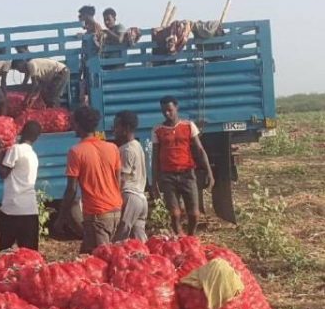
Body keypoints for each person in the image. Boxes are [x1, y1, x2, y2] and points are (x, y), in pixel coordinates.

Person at [53, 106, 122, 254]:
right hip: (115, 210)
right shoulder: (112, 148)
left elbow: (71, 189)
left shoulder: (76, 152)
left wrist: (61, 218)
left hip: (97, 214)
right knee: (86, 255)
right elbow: (118, 180)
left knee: (101, 259)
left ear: (78, 124)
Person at [151, 96, 215, 236]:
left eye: (169, 110)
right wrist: (154, 182)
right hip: (167, 176)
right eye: (164, 111)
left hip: (187, 174)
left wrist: (209, 173)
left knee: (194, 214)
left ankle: (190, 237)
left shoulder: (188, 126)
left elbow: (200, 150)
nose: (167, 113)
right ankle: (180, 237)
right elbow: (155, 158)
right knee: (174, 214)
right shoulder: (157, 130)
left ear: (176, 108)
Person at [0, 121, 42, 251]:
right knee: (30, 253)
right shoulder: (33, 155)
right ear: (36, 138)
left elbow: (3, 173)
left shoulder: (16, 149)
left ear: (21, 131)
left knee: (6, 250)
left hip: (12, 210)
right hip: (30, 210)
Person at [113, 111, 148, 241]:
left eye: (116, 126)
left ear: (126, 128)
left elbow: (122, 178)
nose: (114, 129)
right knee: (140, 238)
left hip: (130, 197)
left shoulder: (126, 150)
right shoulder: (137, 145)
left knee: (119, 238)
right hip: (141, 198)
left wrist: (114, 198)